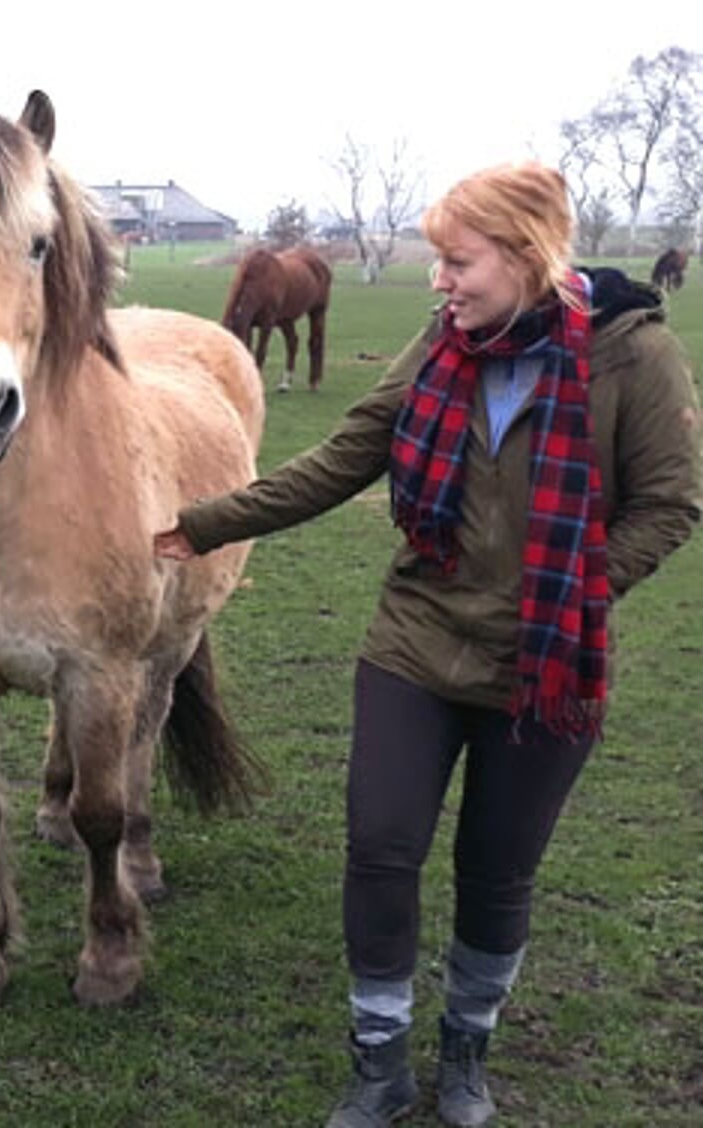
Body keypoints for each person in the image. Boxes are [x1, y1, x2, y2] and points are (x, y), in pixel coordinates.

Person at [155, 162, 700, 1127]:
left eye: (458, 261)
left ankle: (466, 1053)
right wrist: (201, 523)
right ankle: (379, 1063)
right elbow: (345, 455)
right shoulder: (443, 345)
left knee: (497, 869)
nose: (438, 282)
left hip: (545, 660)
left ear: (527, 257)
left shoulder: (633, 357)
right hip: (417, 641)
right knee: (381, 846)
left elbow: (670, 502)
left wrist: (581, 586)